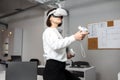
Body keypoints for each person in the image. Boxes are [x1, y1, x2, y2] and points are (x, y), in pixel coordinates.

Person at [42, 8, 89, 80]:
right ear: (50, 18)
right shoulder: (48, 31)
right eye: (57, 15)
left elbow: (56, 52)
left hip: (60, 67)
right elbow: (55, 45)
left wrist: (67, 56)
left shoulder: (56, 32)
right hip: (53, 69)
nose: (60, 17)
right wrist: (74, 37)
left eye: (61, 16)